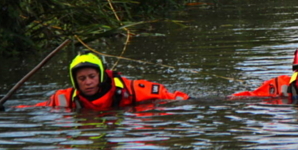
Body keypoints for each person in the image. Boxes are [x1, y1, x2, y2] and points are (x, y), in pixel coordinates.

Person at [37, 52, 189, 110]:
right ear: (75, 81)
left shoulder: (132, 89)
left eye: (92, 76)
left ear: (101, 76)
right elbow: (36, 108)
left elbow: (172, 97)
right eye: (82, 79)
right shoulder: (64, 98)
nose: (88, 82)